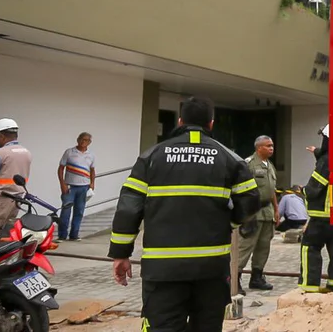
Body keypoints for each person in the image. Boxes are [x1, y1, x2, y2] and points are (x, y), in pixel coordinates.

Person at [108, 96, 260, 332]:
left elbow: (128, 208)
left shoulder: (151, 157)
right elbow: (250, 200)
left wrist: (120, 253)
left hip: (162, 271)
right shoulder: (230, 158)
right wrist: (228, 221)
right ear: (211, 123)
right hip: (211, 269)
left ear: (180, 121)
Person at [299, 124, 333, 294]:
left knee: (310, 247)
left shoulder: (327, 160)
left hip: (321, 216)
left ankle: (309, 287)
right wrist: (317, 153)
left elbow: (314, 187)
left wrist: (302, 190)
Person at [236, 135, 278, 291]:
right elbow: (241, 189)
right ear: (258, 147)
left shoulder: (270, 166)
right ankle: (235, 278)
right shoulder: (249, 165)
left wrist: (276, 209)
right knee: (245, 246)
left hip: (267, 212)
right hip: (253, 211)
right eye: (268, 146)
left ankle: (257, 277)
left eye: (272, 145)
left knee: (263, 247)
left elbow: (272, 189)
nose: (271, 148)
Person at [57, 132, 96, 241]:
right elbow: (60, 168)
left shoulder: (91, 155)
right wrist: (62, 184)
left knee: (79, 211)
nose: (83, 142)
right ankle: (62, 235)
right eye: (82, 139)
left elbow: (92, 170)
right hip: (70, 187)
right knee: (66, 211)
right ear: (78, 139)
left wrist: (92, 183)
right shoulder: (69, 152)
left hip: (84, 187)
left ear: (89, 142)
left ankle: (74, 235)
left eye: (86, 140)